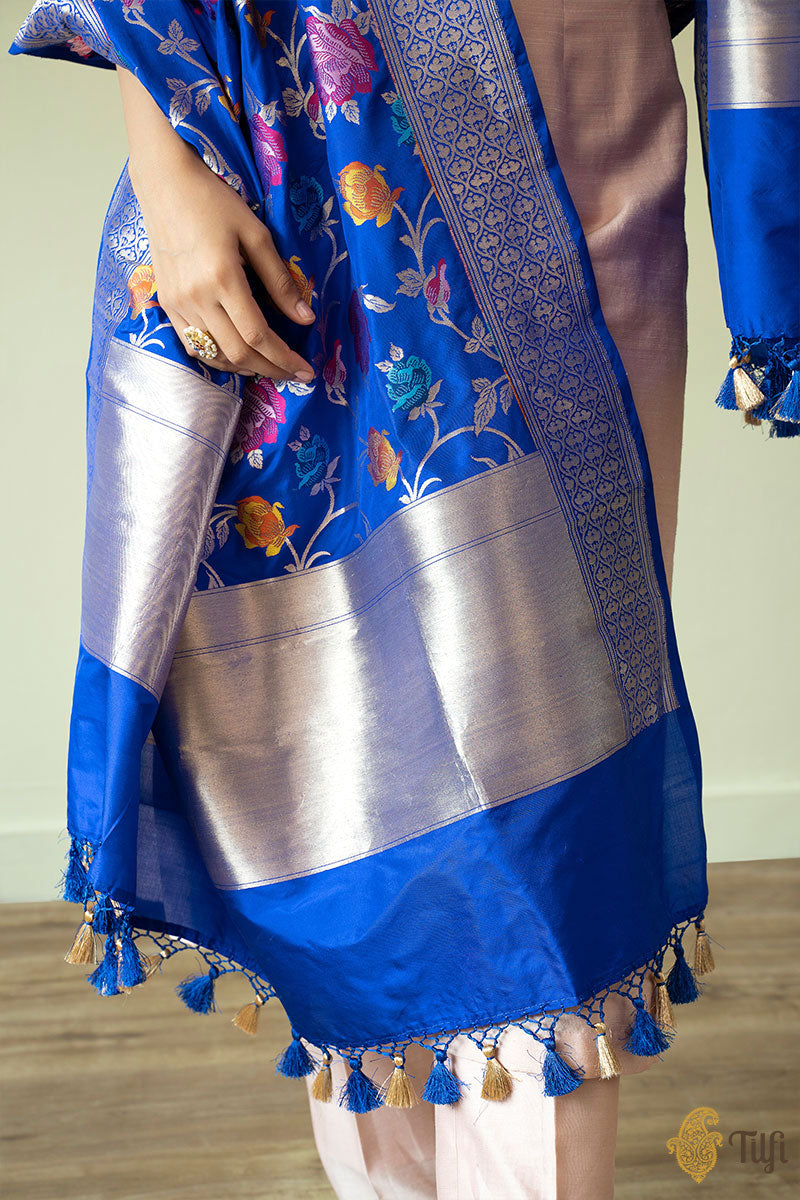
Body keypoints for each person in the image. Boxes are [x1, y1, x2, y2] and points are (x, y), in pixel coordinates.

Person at [8, 1, 797, 1196]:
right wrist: (167, 168)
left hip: (575, 151)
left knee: (551, 816)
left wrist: (766, 246)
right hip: (299, 169)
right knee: (341, 787)